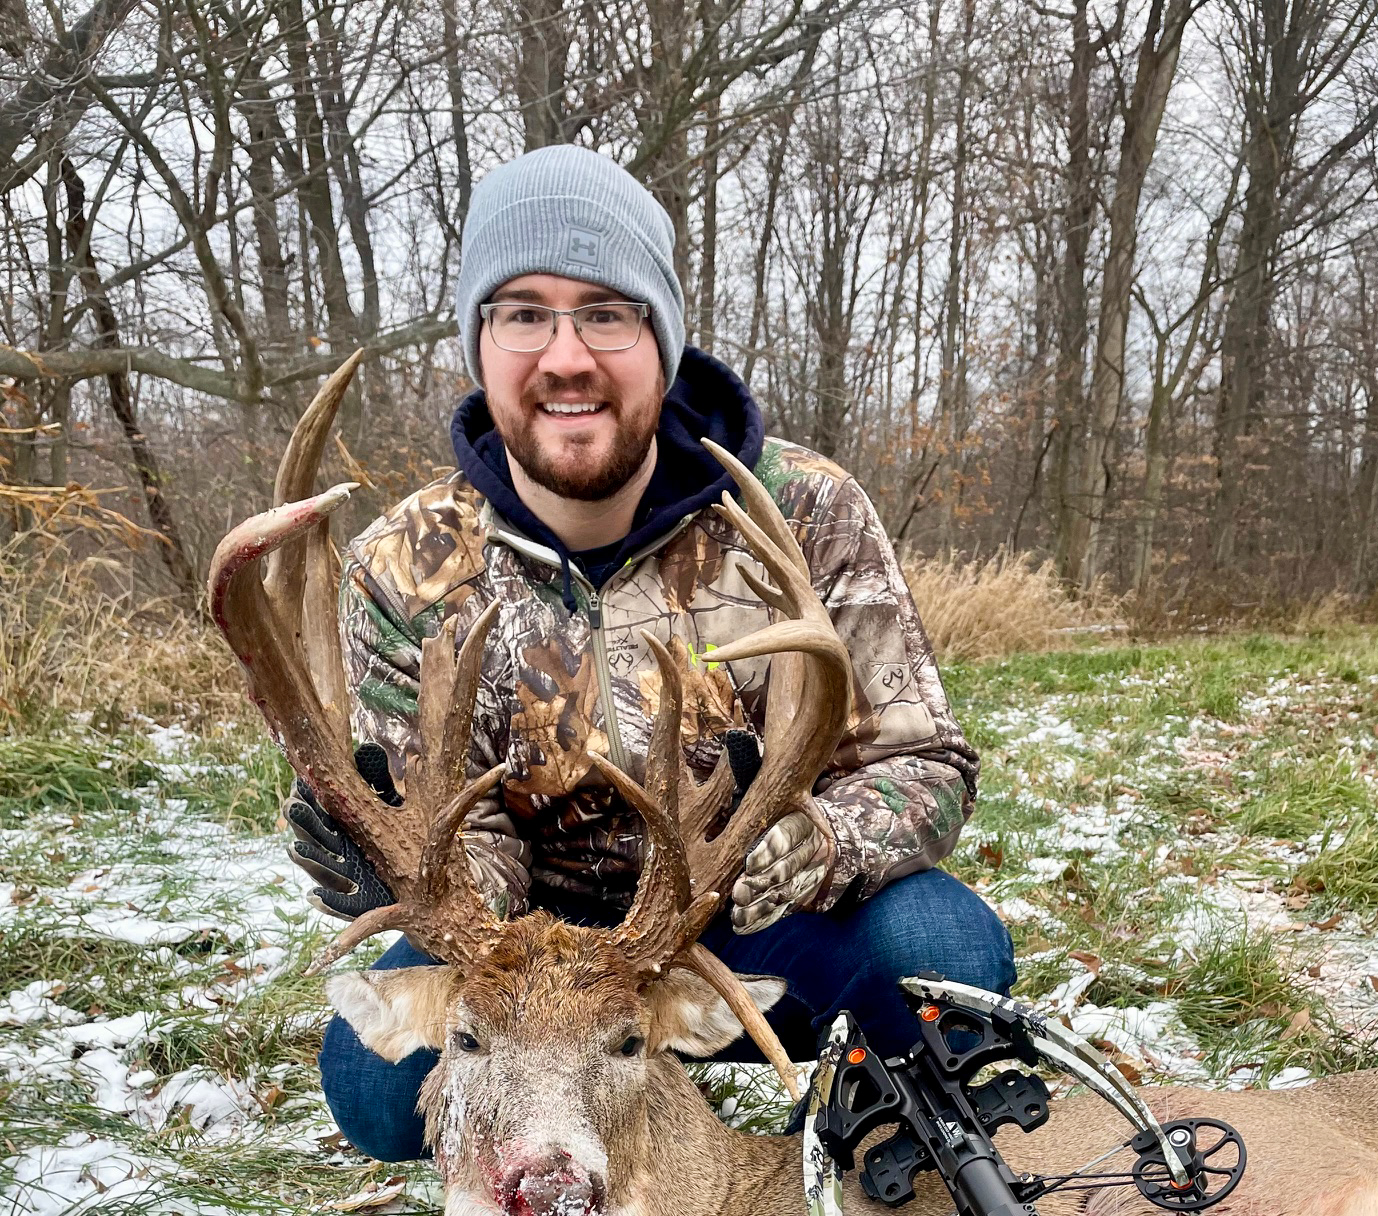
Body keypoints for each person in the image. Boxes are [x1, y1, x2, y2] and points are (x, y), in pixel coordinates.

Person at [289, 145, 1015, 1161]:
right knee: (376, 1083)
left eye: (606, 311)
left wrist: (824, 841)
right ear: (481, 342)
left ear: (662, 339)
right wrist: (418, 872)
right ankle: (551, 1159)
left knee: (941, 960)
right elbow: (458, 816)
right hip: (531, 964)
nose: (566, 355)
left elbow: (921, 759)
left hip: (761, 928)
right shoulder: (406, 565)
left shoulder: (799, 511)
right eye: (523, 312)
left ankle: (867, 1163)